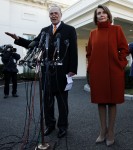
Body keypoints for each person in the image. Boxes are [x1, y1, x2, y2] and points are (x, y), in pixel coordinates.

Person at [5, 5, 78, 138]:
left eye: (56, 13)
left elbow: (73, 50)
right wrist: (18, 39)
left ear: (61, 14)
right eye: (51, 14)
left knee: (62, 103)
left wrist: (73, 69)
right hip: (46, 72)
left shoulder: (69, 30)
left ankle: (63, 127)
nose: (53, 15)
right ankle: (50, 125)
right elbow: (33, 43)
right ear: (49, 16)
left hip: (62, 72)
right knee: (47, 101)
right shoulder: (44, 30)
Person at [87, 5, 129, 146]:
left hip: (114, 72)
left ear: (108, 15)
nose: (101, 15)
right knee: (100, 101)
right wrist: (91, 67)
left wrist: (121, 64)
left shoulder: (117, 29)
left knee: (111, 102)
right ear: (96, 17)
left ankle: (111, 131)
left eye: (104, 12)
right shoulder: (93, 33)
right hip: (98, 73)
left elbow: (124, 48)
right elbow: (89, 53)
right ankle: (102, 131)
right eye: (99, 13)